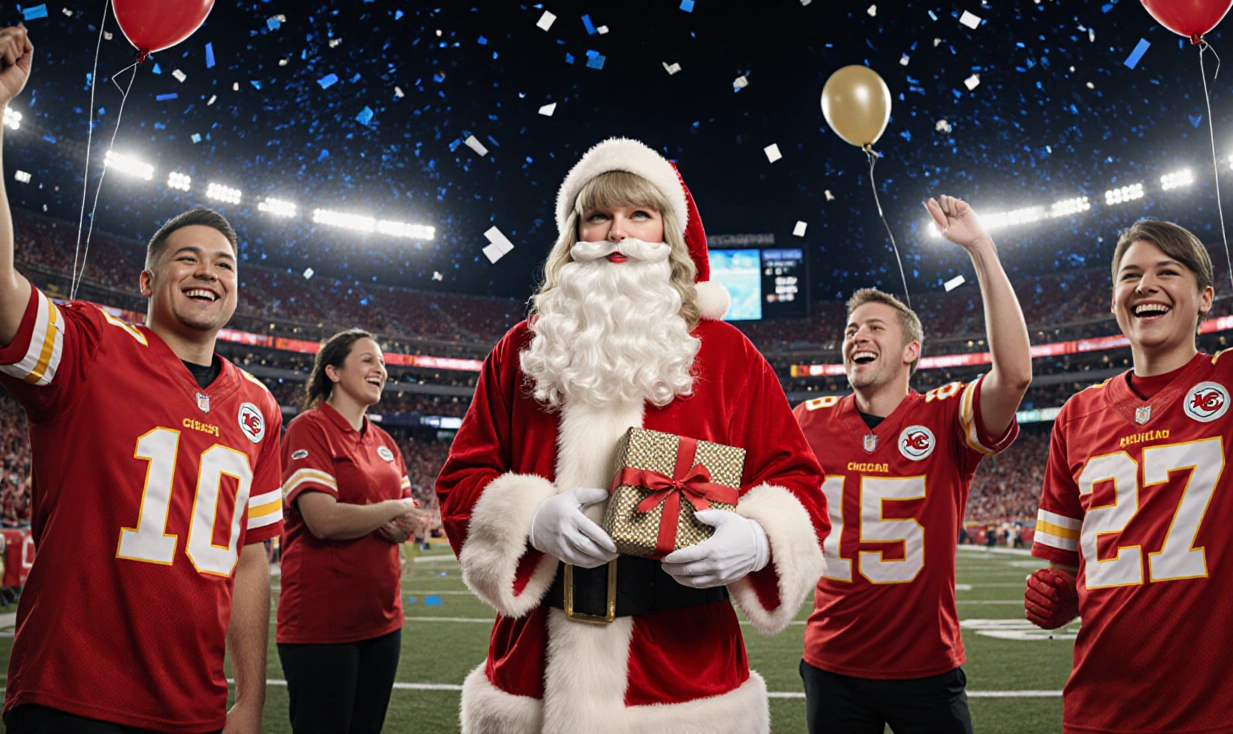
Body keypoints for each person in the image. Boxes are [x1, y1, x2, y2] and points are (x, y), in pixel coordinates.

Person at [437, 137, 828, 734]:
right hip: (534, 672)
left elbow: (798, 481)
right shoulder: (520, 351)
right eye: (599, 216)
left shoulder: (730, 355)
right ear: (575, 235)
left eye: (639, 214)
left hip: (685, 677)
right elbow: (462, 479)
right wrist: (528, 520)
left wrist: (759, 539)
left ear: (668, 233)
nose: (618, 233)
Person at [1023, 21, 1233, 734]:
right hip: (1102, 714)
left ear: (1205, 297)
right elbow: (1062, 571)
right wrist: (1055, 595)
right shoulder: (1075, 418)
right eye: (1129, 274)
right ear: (1113, 300)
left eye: (1167, 271)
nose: (1145, 284)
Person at [0, 26, 279, 733]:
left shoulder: (259, 406)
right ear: (148, 280)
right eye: (187, 258)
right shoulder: (92, 345)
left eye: (224, 263)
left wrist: (249, 699)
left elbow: (250, 559)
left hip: (194, 710)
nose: (207, 271)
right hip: (69, 698)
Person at [794, 197, 1032, 734]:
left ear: (910, 351)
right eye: (851, 329)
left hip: (925, 665)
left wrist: (981, 248)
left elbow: (1015, 375)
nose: (858, 335)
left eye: (875, 327)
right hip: (832, 663)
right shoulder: (808, 421)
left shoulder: (946, 417)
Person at [276, 329, 420, 734]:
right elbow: (324, 520)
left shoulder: (386, 442)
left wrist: (390, 518)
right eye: (368, 360)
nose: (381, 370)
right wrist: (390, 509)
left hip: (383, 620)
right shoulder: (309, 429)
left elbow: (409, 523)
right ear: (333, 372)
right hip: (323, 624)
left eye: (383, 363)